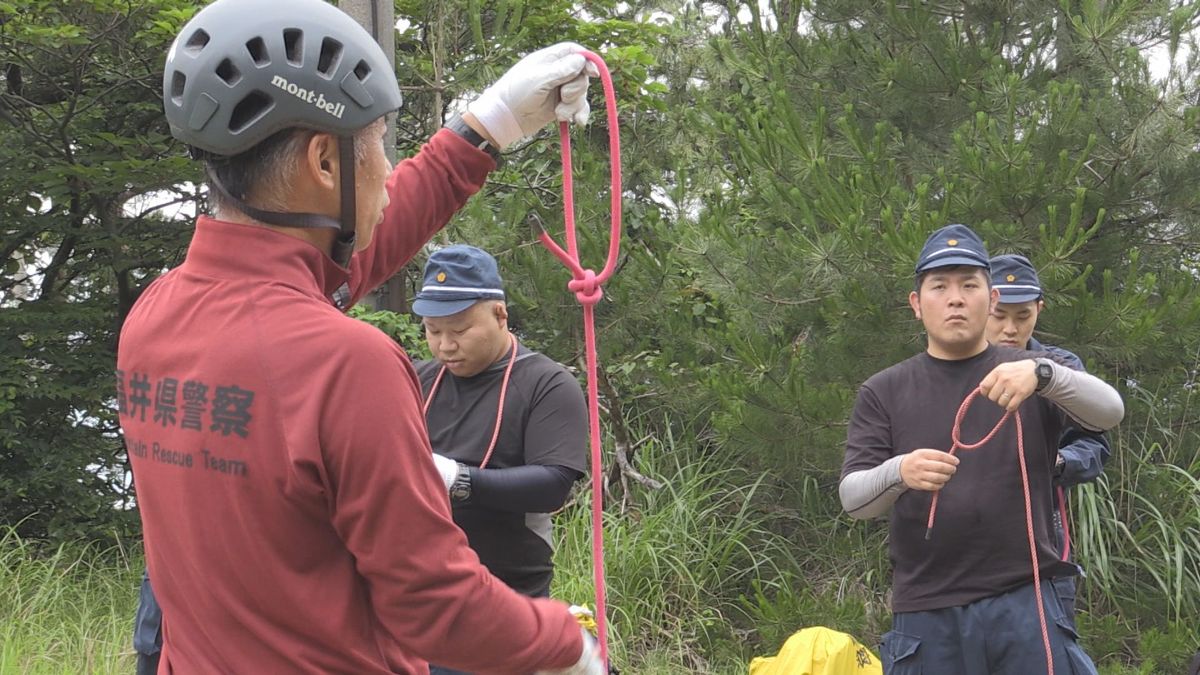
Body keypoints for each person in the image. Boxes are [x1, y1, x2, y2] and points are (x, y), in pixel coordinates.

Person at [119, 0, 605, 672]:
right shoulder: (349, 364)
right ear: (324, 162)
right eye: (378, 143)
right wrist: (565, 646)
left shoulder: (155, 315)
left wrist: (487, 125)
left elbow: (324, 267)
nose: (385, 171)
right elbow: (435, 605)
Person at [838, 224, 1125, 675]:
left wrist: (1044, 375)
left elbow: (1110, 413)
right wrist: (899, 471)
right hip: (926, 611)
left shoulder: (1033, 373)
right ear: (917, 304)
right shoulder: (883, 390)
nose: (955, 298)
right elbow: (853, 501)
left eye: (969, 285)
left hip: (1027, 600)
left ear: (990, 299)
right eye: (940, 286)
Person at [411, 245, 590, 675]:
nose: (445, 346)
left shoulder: (546, 383)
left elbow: (554, 483)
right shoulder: (419, 379)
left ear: (499, 314)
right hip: (419, 594)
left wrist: (460, 479)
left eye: (459, 329)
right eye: (433, 331)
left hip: (507, 596)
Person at [986, 253, 1111, 624]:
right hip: (964, 556)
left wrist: (1059, 463)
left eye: (1022, 316)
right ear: (982, 307)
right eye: (1000, 316)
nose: (1011, 328)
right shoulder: (951, 368)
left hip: (1043, 545)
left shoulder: (1062, 368)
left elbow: (1095, 444)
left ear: (1039, 308)